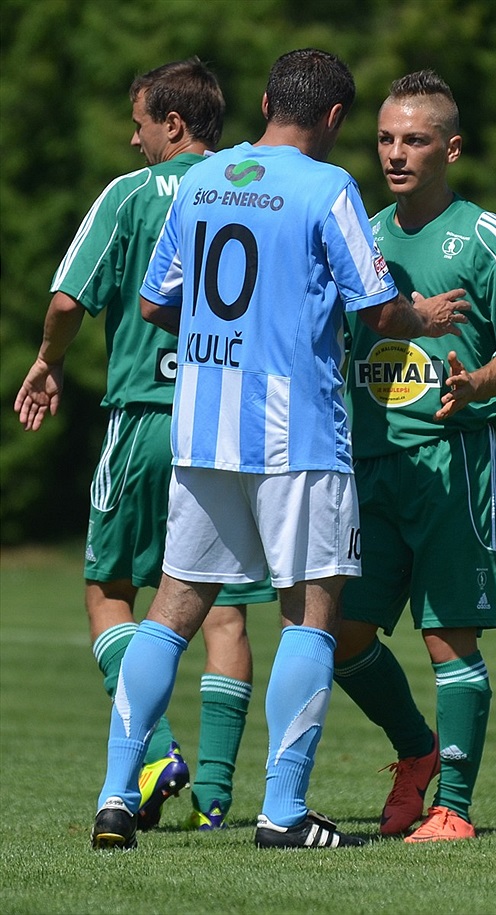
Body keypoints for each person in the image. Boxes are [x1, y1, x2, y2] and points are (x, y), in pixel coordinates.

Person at [90, 48, 469, 852]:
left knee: (169, 613)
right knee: (312, 613)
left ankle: (116, 795)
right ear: (335, 119)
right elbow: (376, 311)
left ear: (265, 102)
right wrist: (424, 318)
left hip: (203, 429)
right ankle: (283, 811)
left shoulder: (202, 180)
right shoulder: (328, 188)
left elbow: (157, 305)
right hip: (295, 433)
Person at [14, 58, 276, 833]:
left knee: (110, 591)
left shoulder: (132, 197)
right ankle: (218, 799)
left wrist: (48, 360)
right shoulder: (253, 187)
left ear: (173, 122)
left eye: (139, 122)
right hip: (232, 422)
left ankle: (155, 750)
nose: (133, 140)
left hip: (147, 418)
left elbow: (67, 299)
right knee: (224, 607)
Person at [334, 70, 496, 842]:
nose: (396, 153)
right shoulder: (358, 231)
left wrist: (474, 380)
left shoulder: (490, 237)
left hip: (457, 461)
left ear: (451, 148)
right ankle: (417, 751)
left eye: (415, 140)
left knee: (446, 637)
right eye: (386, 138)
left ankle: (453, 805)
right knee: (341, 636)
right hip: (371, 463)